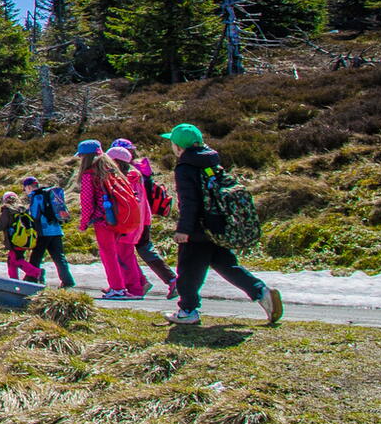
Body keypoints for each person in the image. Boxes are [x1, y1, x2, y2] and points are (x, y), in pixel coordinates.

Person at [164, 123, 283, 326]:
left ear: (178, 146)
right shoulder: (211, 160)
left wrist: (184, 230)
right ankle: (261, 292)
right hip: (219, 223)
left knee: (188, 269)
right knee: (226, 264)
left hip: (198, 228)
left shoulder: (185, 167)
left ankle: (188, 310)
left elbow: (189, 201)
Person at [76, 140, 146, 298]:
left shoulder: (89, 173)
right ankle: (131, 287)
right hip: (118, 218)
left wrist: (84, 223)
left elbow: (87, 201)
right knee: (120, 254)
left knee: (108, 255)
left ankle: (117, 288)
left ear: (85, 157)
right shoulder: (111, 169)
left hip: (103, 220)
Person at [115, 137, 179, 299]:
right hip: (145, 216)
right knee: (144, 249)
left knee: (125, 251)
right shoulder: (143, 169)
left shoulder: (128, 172)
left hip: (133, 217)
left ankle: (142, 282)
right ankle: (166, 280)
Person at [24, 175, 75, 288]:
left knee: (36, 256)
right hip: (56, 230)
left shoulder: (36, 196)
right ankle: (68, 281)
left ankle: (31, 278)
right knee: (59, 257)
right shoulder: (48, 194)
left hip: (43, 232)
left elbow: (35, 215)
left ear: (28, 187)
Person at [0, 190, 43, 282]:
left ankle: (37, 272)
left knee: (16, 260)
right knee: (11, 261)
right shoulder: (24, 210)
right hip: (25, 239)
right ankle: (13, 280)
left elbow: (1, 225)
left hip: (14, 240)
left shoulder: (7, 211)